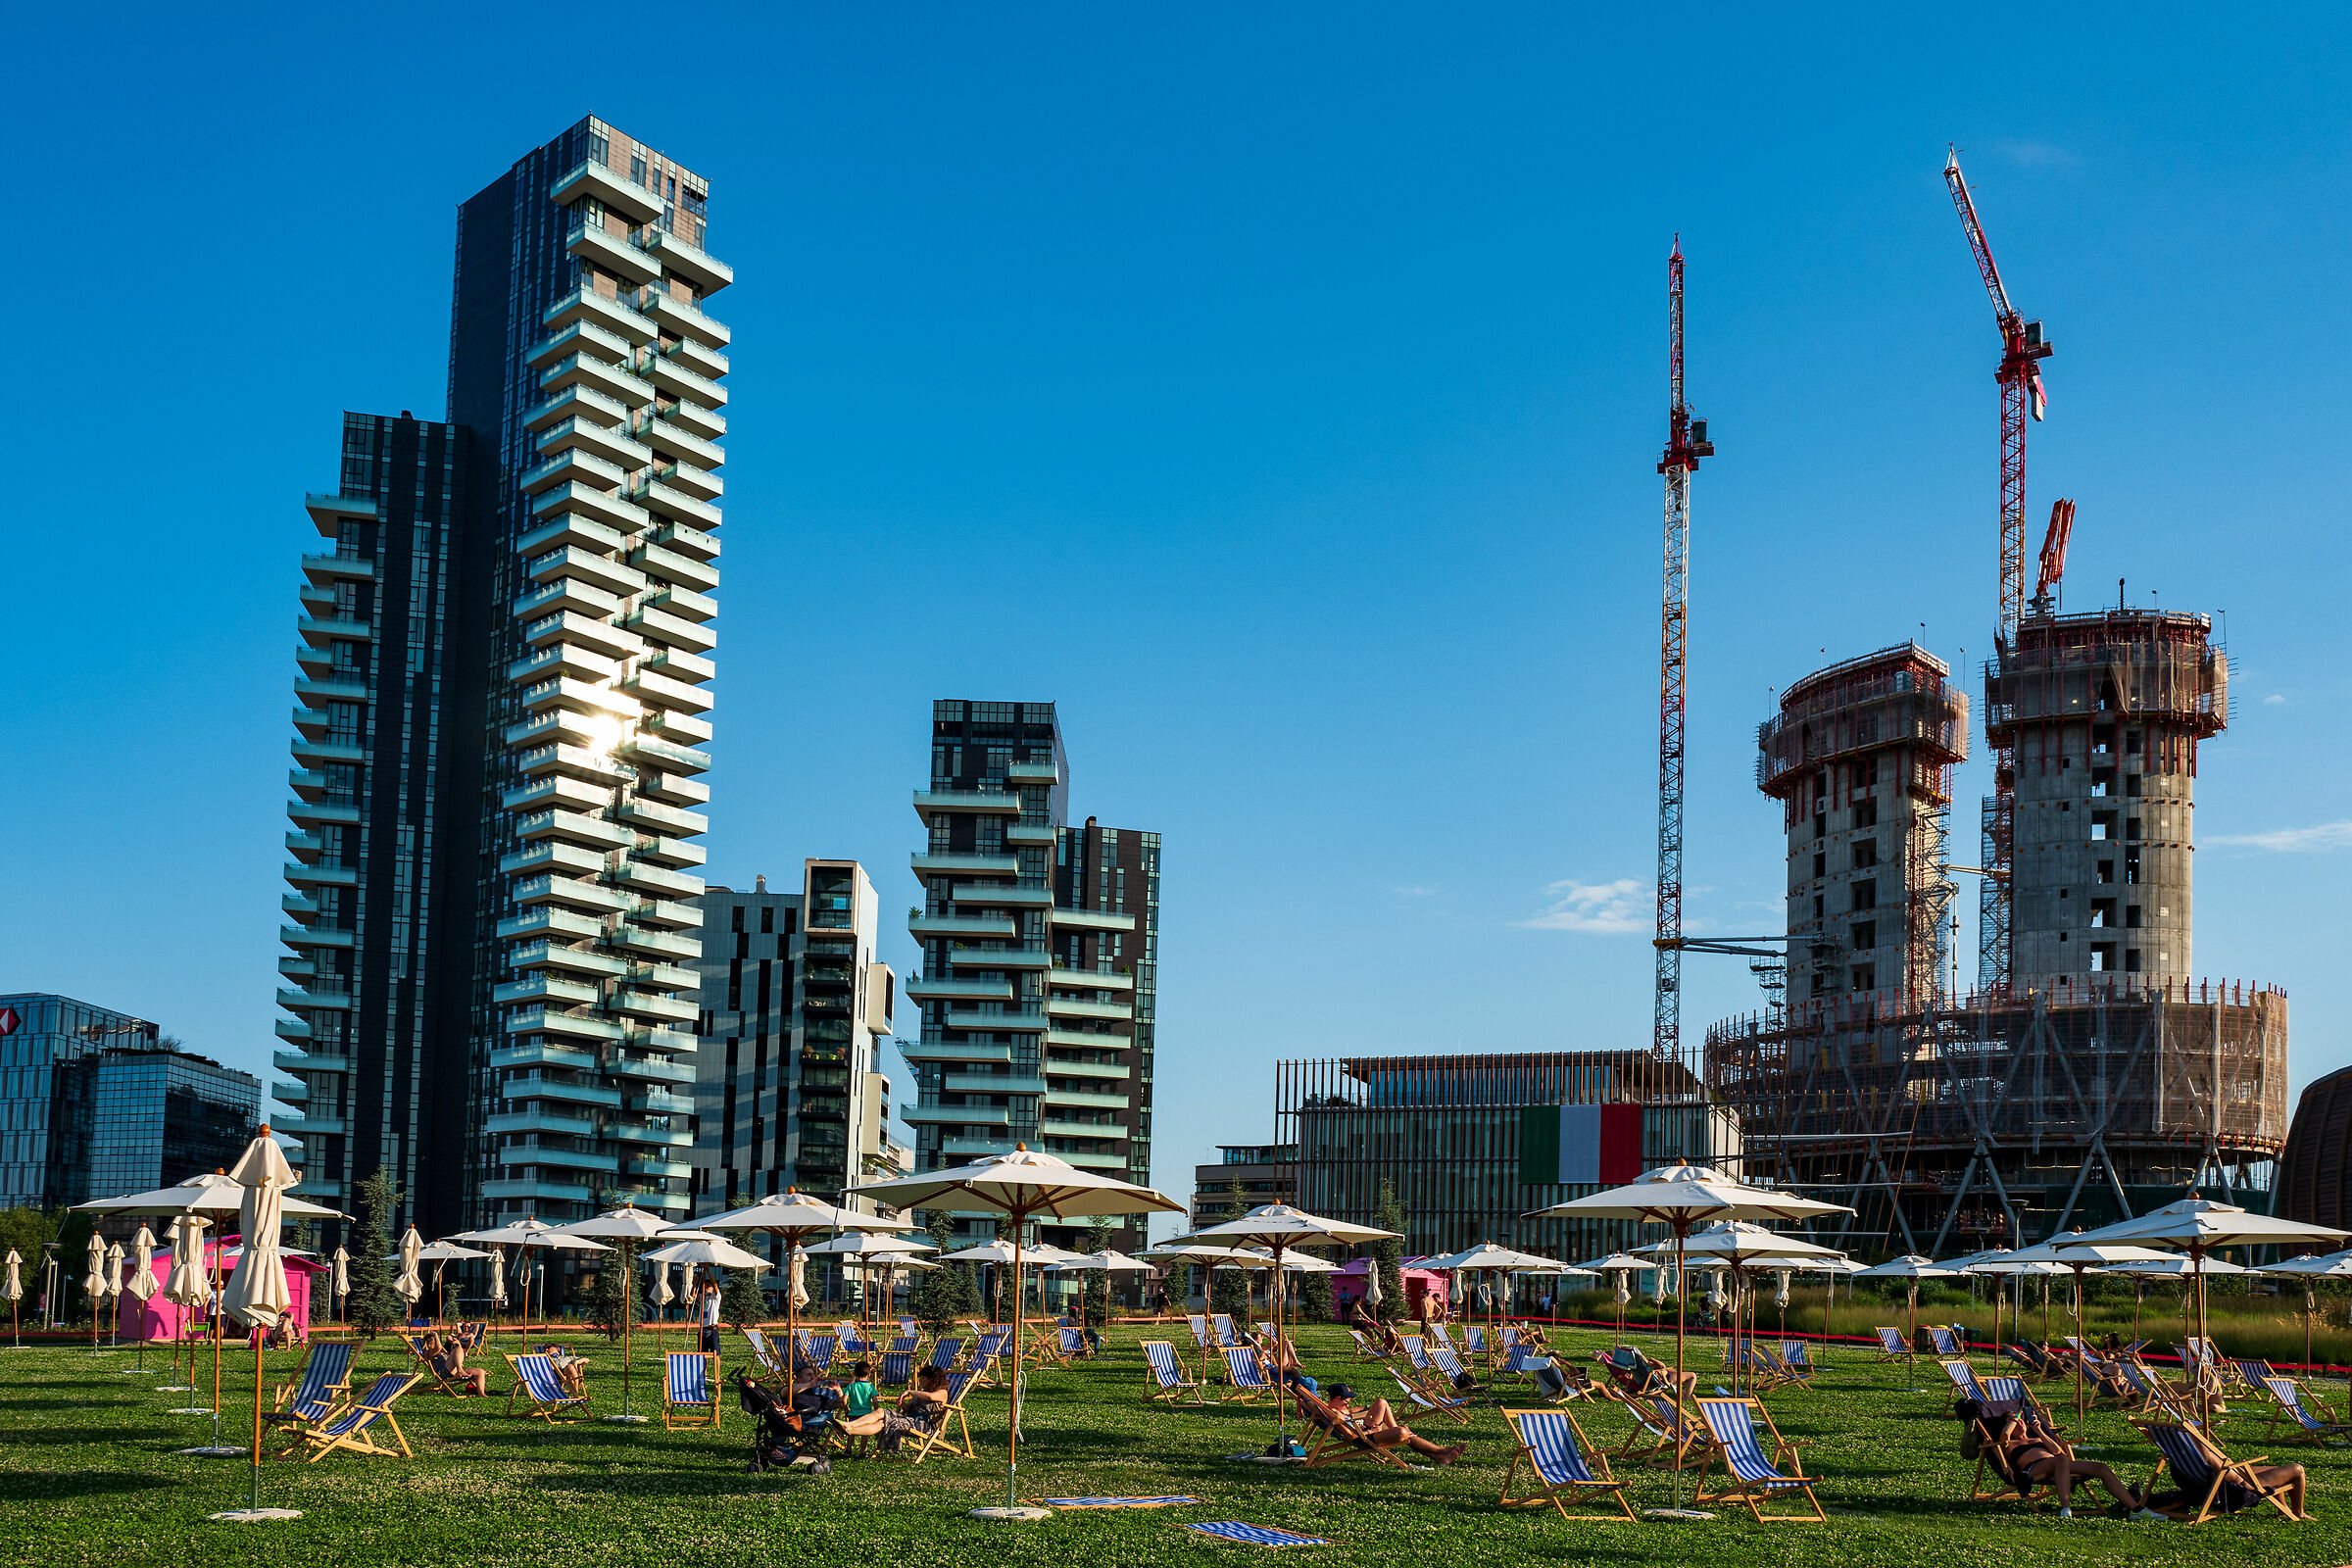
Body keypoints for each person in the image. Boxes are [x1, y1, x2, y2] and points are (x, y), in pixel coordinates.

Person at [1961, 1399, 2162, 1519]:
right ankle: (2066, 1507)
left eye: (2021, 1421)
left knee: (2101, 1467)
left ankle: (2137, 1510)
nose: (2021, 1424)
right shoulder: (2007, 1443)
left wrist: (2038, 1429)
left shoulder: (2035, 1436)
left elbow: (2057, 1450)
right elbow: (2004, 1435)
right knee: (2062, 1460)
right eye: (2016, 1422)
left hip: (2058, 1464)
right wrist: (2013, 1419)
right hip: (2032, 1470)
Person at [1305, 1383, 1464, 1465]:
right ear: (1337, 1399)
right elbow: (1352, 1436)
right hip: (1364, 1437)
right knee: (1402, 1432)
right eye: (1347, 1400)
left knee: (1382, 1403)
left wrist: (1367, 1409)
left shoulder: (1342, 1410)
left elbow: (1354, 1409)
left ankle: (1441, 1456)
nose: (1349, 1403)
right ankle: (1442, 1451)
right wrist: (1371, 1429)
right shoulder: (1335, 1415)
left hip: (1369, 1430)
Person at [875, 1365, 951, 1457]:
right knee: (880, 1414)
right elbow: (907, 1408)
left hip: (923, 1426)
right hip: (909, 1420)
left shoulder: (942, 1392)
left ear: (932, 1379)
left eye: (923, 1378)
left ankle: (854, 1429)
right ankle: (853, 1428)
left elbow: (930, 1397)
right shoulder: (922, 1391)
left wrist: (910, 1392)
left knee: (885, 1421)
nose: (921, 1380)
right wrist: (902, 1403)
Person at [422, 1331, 490, 1396]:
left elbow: (456, 1355)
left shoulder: (440, 1352)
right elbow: (439, 1347)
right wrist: (436, 1335)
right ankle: (460, 1370)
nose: (435, 1342)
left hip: (454, 1369)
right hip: (444, 1372)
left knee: (480, 1371)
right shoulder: (428, 1353)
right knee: (458, 1349)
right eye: (432, 1341)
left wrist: (458, 1344)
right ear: (428, 1344)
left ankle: (481, 1394)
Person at [698, 1277, 722, 1357]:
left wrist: (707, 1270)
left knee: (716, 1354)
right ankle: (703, 1370)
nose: (706, 1287)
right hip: (703, 1328)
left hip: (712, 1328)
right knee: (702, 1354)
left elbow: (715, 1285)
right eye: (705, 1286)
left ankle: (717, 1370)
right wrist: (695, 1284)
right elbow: (693, 1296)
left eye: (708, 1286)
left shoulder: (715, 1297)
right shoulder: (702, 1297)